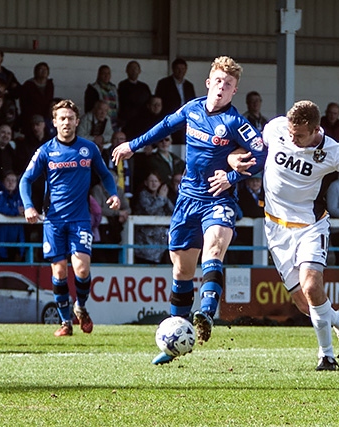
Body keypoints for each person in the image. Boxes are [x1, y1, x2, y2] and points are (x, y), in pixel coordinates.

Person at [112, 56, 267, 364]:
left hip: (218, 199)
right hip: (187, 201)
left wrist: (232, 176)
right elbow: (164, 126)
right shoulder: (192, 109)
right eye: (219, 81)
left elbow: (262, 155)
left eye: (229, 84)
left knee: (213, 250)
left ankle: (207, 314)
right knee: (182, 271)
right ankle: (172, 345)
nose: (222, 87)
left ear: (234, 91)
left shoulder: (237, 123)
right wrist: (133, 145)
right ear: (209, 83)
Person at [247, 100, 339, 370]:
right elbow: (253, 150)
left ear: (316, 129)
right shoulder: (276, 128)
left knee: (311, 287)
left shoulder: (332, 150)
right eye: (291, 133)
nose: (292, 139)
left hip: (310, 226)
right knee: (305, 304)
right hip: (275, 227)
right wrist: (235, 159)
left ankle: (326, 356)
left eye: (299, 135)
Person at [20, 99, 120, 336]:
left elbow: (105, 174)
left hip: (80, 219)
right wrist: (28, 207)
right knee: (59, 271)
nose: (66, 122)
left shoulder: (88, 149)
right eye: (61, 118)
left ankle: (80, 306)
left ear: (77, 122)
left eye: (70, 118)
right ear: (54, 122)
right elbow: (25, 180)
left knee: (82, 269)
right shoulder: (45, 151)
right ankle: (65, 323)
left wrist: (113, 194)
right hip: (53, 220)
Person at [134, 172, 174, 264]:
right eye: (151, 181)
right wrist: (161, 198)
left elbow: (173, 211)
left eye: (156, 181)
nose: (153, 183)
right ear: (146, 183)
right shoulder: (143, 195)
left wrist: (164, 197)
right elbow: (150, 211)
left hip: (160, 244)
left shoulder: (162, 196)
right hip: (145, 244)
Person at [0, 171, 25, 262]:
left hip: (16, 239)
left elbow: (24, 209)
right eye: (8, 180)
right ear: (3, 182)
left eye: (13, 181)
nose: (11, 183)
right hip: (1, 238)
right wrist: (15, 211)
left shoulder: (20, 195)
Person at [19, 62, 54, 132]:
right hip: (31, 116)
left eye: (45, 69)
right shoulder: (28, 85)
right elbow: (23, 103)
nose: (43, 71)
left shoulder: (50, 85)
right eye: (41, 69)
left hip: (46, 116)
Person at [117, 60, 151, 131]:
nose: (133, 71)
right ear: (127, 71)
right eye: (131, 69)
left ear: (139, 71)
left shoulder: (144, 87)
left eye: (135, 69)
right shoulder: (123, 85)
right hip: (127, 121)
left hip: (142, 120)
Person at [84, 65, 119, 130]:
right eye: (104, 73)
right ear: (99, 74)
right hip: (100, 121)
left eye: (108, 73)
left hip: (114, 121)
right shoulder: (92, 89)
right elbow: (89, 108)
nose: (106, 76)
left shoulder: (114, 88)